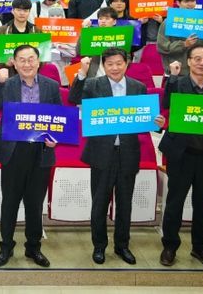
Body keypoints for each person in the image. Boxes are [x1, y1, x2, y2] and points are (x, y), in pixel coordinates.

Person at [69, 48, 165, 265]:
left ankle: (122, 245)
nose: (115, 68)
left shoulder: (138, 87)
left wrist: (157, 123)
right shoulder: (93, 84)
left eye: (119, 63)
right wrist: (82, 74)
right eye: (110, 64)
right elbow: (74, 98)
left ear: (127, 63)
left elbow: (146, 118)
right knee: (99, 203)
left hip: (128, 153)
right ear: (104, 65)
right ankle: (99, 246)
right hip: (101, 153)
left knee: (124, 203)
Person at [0, 45, 62, 268]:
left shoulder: (51, 86)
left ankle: (33, 247)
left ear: (39, 62)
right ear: (14, 63)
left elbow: (58, 118)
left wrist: (54, 137)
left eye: (31, 59)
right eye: (22, 60)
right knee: (9, 202)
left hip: (41, 152)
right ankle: (6, 246)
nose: (27, 64)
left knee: (35, 203)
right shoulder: (7, 83)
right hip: (13, 151)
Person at [159, 45, 203, 268]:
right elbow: (166, 105)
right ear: (188, 61)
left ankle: (200, 248)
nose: (202, 63)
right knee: (174, 202)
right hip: (181, 155)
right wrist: (171, 77)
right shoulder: (177, 84)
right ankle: (170, 246)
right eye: (197, 59)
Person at [157, 0, 203, 77]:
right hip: (177, 72)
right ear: (178, 3)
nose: (190, 4)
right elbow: (162, 47)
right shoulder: (169, 22)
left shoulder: (202, 22)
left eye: (193, 1)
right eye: (186, 1)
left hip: (199, 71)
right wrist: (184, 44)